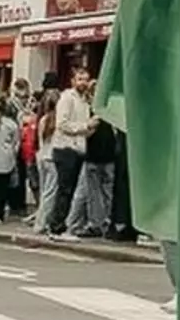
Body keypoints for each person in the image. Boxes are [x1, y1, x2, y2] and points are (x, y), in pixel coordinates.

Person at [47, 67, 94, 235]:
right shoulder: (67, 98)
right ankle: (56, 226)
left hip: (78, 148)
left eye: (86, 79)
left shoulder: (84, 101)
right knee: (65, 189)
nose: (83, 83)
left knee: (70, 189)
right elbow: (62, 124)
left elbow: (84, 128)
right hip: (65, 148)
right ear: (73, 81)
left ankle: (59, 224)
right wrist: (85, 126)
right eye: (80, 79)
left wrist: (90, 129)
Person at [67, 84, 116, 238]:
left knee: (93, 193)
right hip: (110, 157)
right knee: (107, 192)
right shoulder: (112, 111)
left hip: (94, 157)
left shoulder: (89, 111)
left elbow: (85, 132)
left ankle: (95, 223)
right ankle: (107, 221)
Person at [31, 92, 61, 233]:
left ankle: (40, 220)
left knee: (44, 192)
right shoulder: (58, 120)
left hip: (42, 157)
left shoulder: (43, 119)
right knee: (51, 193)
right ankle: (42, 223)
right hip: (53, 159)